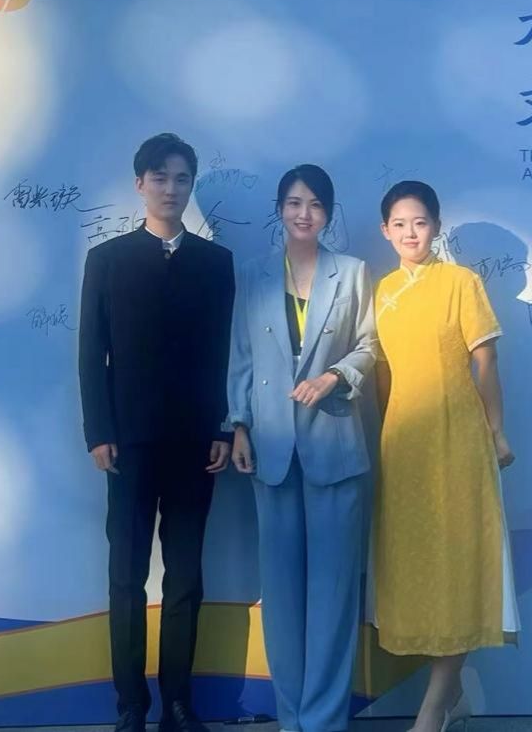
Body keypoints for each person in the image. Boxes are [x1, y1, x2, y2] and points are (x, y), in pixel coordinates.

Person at [78, 132, 235, 732]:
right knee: (126, 576)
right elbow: (91, 354)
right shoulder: (108, 260)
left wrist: (222, 426)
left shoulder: (215, 264)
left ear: (191, 186)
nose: (171, 188)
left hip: (196, 444)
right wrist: (99, 432)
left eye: (182, 178)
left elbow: (224, 353)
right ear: (140, 184)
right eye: (160, 177)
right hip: (129, 443)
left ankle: (177, 703)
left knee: (186, 577)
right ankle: (130, 706)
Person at [228, 164, 377, 732]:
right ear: (279, 209)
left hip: (335, 445)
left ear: (329, 214)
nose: (303, 213)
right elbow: (241, 356)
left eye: (315, 204)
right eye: (294, 202)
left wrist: (336, 376)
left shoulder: (353, 272)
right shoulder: (254, 274)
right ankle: (292, 718)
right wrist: (239, 426)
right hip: (271, 449)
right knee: (283, 596)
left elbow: (370, 344)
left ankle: (324, 721)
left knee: (334, 595)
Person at [371, 180, 518, 732]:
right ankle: (454, 693)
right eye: (400, 224)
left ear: (436, 226)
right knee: (417, 568)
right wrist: (386, 433)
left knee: (458, 565)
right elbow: (382, 373)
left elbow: (486, 361)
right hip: (403, 444)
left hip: (458, 439)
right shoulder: (382, 291)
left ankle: (432, 709)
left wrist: (497, 432)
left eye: (421, 222)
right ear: (385, 231)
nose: (411, 233)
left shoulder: (462, 282)